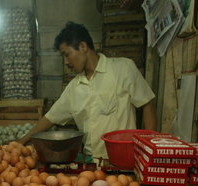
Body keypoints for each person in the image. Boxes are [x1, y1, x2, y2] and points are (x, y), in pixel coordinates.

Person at [18, 22, 157, 159]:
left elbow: (147, 103)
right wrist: (21, 142)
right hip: (92, 162)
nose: (66, 62)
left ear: (83, 46)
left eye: (67, 54)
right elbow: (50, 118)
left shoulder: (123, 69)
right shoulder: (74, 88)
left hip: (123, 160)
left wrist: (149, 149)